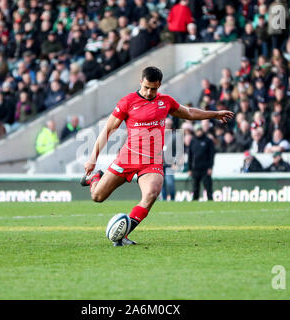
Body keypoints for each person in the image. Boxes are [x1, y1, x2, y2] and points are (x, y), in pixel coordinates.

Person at [80, 67, 234, 246]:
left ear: (159, 85)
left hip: (152, 162)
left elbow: (190, 113)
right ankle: (95, 179)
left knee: (151, 193)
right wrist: (93, 158)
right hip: (128, 158)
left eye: (153, 89)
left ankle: (123, 234)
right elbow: (107, 130)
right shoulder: (127, 102)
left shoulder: (165, 102)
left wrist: (215, 114)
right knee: (97, 197)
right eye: (146, 87)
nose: (149, 92)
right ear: (141, 82)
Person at [188, 123, 215, 201]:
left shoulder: (208, 141)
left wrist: (210, 167)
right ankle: (195, 202)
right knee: (195, 188)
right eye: (197, 131)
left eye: (200, 130)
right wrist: (189, 169)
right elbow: (190, 156)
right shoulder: (192, 141)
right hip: (195, 169)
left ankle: (210, 201)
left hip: (205, 169)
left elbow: (211, 155)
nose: (199, 132)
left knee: (208, 188)